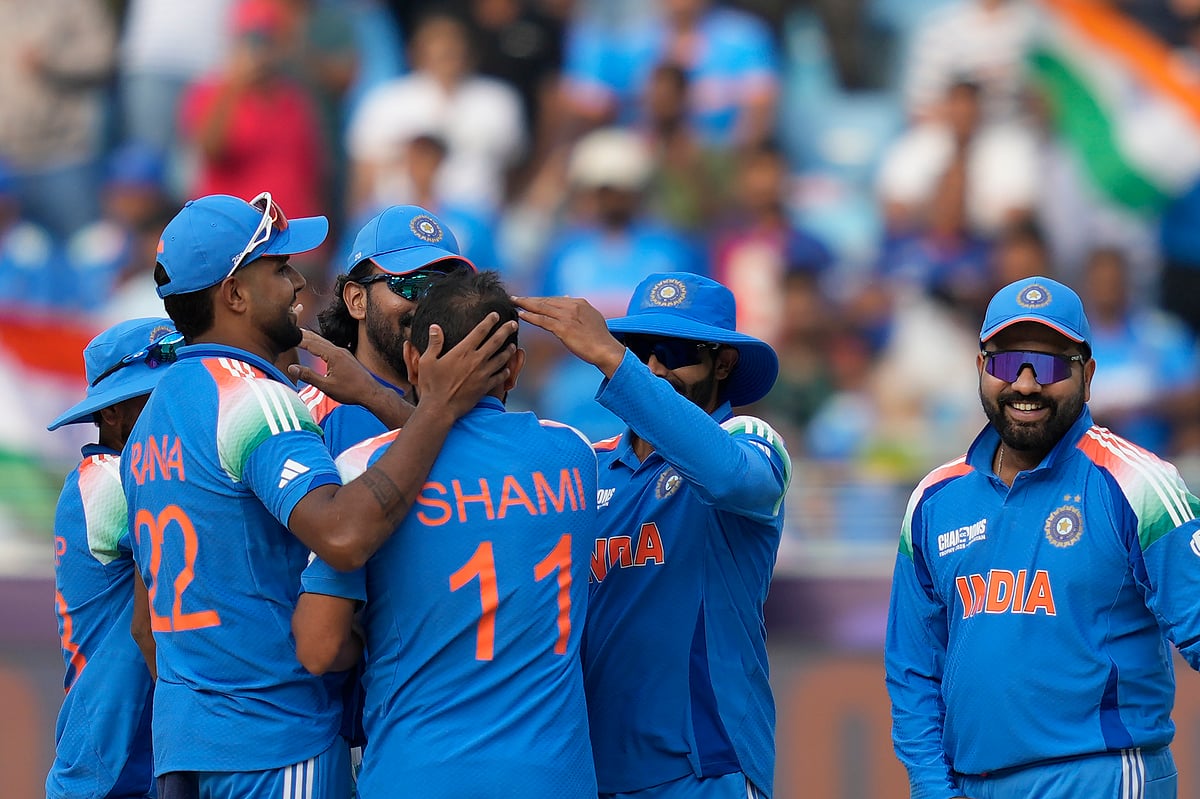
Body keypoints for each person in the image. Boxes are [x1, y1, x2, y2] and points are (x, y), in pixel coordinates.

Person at [121, 191, 516, 798]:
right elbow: (343, 535)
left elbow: (147, 624)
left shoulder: (158, 413)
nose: (299, 280)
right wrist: (436, 411)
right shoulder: (256, 398)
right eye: (278, 268)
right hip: (279, 737)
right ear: (234, 295)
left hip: (189, 742)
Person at [885, 275, 1200, 799]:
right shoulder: (934, 500)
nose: (1026, 385)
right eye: (1008, 363)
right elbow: (914, 670)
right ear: (982, 368)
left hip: (1100, 776)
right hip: (970, 784)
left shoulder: (1136, 483)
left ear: (1088, 373)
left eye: (1050, 364)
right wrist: (931, 786)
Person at [292, 268, 597, 798]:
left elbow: (320, 648)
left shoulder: (364, 468)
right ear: (516, 367)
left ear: (413, 360)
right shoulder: (572, 455)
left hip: (416, 772)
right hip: (550, 777)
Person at [514, 272, 791, 799]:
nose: (656, 367)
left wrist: (612, 360)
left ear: (723, 363)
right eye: (640, 349)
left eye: (675, 350)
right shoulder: (585, 466)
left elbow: (731, 477)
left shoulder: (748, 440)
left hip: (708, 771)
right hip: (590, 773)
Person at [45, 317, 183, 799]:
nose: (178, 411)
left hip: (141, 758)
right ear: (113, 415)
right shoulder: (105, 482)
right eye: (156, 399)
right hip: (111, 769)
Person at [305, 203, 477, 457]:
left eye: (444, 289)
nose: (428, 305)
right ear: (357, 300)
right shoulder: (314, 419)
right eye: (410, 285)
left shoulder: (472, 404)